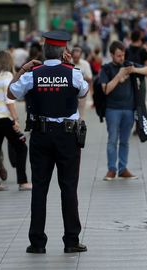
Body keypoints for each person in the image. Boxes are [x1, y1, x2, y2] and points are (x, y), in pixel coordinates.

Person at [7, 31, 89, 255]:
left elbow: (11, 93)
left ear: (43, 52)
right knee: (69, 188)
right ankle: (71, 240)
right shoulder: (73, 73)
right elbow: (83, 92)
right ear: (64, 52)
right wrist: (70, 66)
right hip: (67, 136)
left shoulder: (32, 74)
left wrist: (23, 69)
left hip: (41, 136)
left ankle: (37, 242)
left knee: (40, 189)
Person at [100, 41, 147, 180]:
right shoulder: (106, 69)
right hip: (112, 110)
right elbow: (106, 90)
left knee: (125, 141)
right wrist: (119, 76)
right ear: (112, 55)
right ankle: (111, 169)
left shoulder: (129, 64)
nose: (121, 58)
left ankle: (122, 168)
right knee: (112, 140)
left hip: (129, 110)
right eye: (118, 55)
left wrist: (134, 70)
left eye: (123, 55)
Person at [0, 51, 32, 191]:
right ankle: (23, 181)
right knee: (21, 147)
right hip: (4, 118)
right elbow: (9, 100)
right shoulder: (8, 76)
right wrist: (15, 119)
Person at [71, 46, 93, 117]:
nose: (76, 59)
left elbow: (90, 78)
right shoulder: (69, 62)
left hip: (81, 91)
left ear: (80, 56)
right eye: (74, 57)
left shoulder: (85, 64)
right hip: (70, 91)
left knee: (81, 113)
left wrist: (79, 77)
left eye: (77, 57)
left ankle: (80, 126)